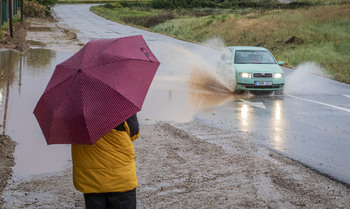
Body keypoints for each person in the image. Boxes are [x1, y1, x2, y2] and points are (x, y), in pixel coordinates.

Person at [71, 114, 140, 209]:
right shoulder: (120, 106)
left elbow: (69, 134)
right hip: (120, 178)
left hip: (91, 179)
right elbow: (134, 133)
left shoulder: (75, 111)